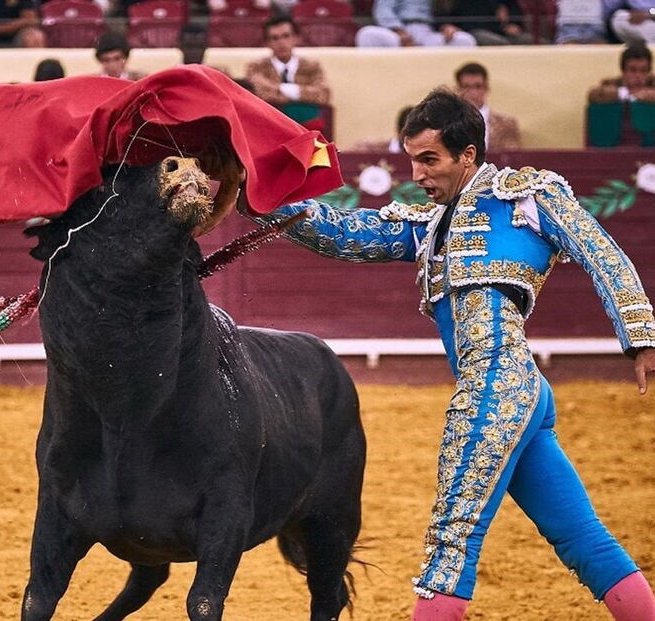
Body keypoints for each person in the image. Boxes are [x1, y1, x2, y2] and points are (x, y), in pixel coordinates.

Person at [248, 89, 655, 620]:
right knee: (580, 535)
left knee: (452, 539)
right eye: (413, 159)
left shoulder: (527, 196)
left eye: (429, 159)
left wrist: (641, 335)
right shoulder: (430, 225)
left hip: (496, 388)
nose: (417, 173)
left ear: (468, 154)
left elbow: (601, 252)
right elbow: (340, 232)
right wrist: (255, 192)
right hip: (517, 391)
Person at [244, 16, 331, 108]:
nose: (281, 42)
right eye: (275, 38)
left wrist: (281, 89)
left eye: (286, 36)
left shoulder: (311, 67)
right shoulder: (257, 67)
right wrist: (302, 93)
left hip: (304, 121)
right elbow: (260, 93)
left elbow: (323, 95)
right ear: (267, 43)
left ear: (296, 38)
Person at [455, 62, 521, 150]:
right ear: (458, 90)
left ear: (486, 88)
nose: (472, 92)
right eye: (466, 87)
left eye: (478, 86)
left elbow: (512, 158)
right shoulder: (447, 124)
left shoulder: (506, 125)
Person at [356, 0, 477, 47]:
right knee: (366, 34)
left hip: (428, 33)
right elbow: (382, 10)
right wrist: (398, 31)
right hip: (399, 32)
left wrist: (447, 26)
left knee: (465, 40)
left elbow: (445, 14)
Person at [437, 0, 532, 45]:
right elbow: (442, 13)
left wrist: (513, 24)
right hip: (472, 30)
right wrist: (447, 25)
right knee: (499, 43)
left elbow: (513, 8)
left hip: (502, 30)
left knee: (531, 41)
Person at [588, 42, 655, 103]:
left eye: (643, 71)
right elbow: (593, 95)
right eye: (632, 70)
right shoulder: (611, 84)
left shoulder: (652, 83)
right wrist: (625, 93)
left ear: (649, 72)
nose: (638, 75)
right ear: (623, 71)